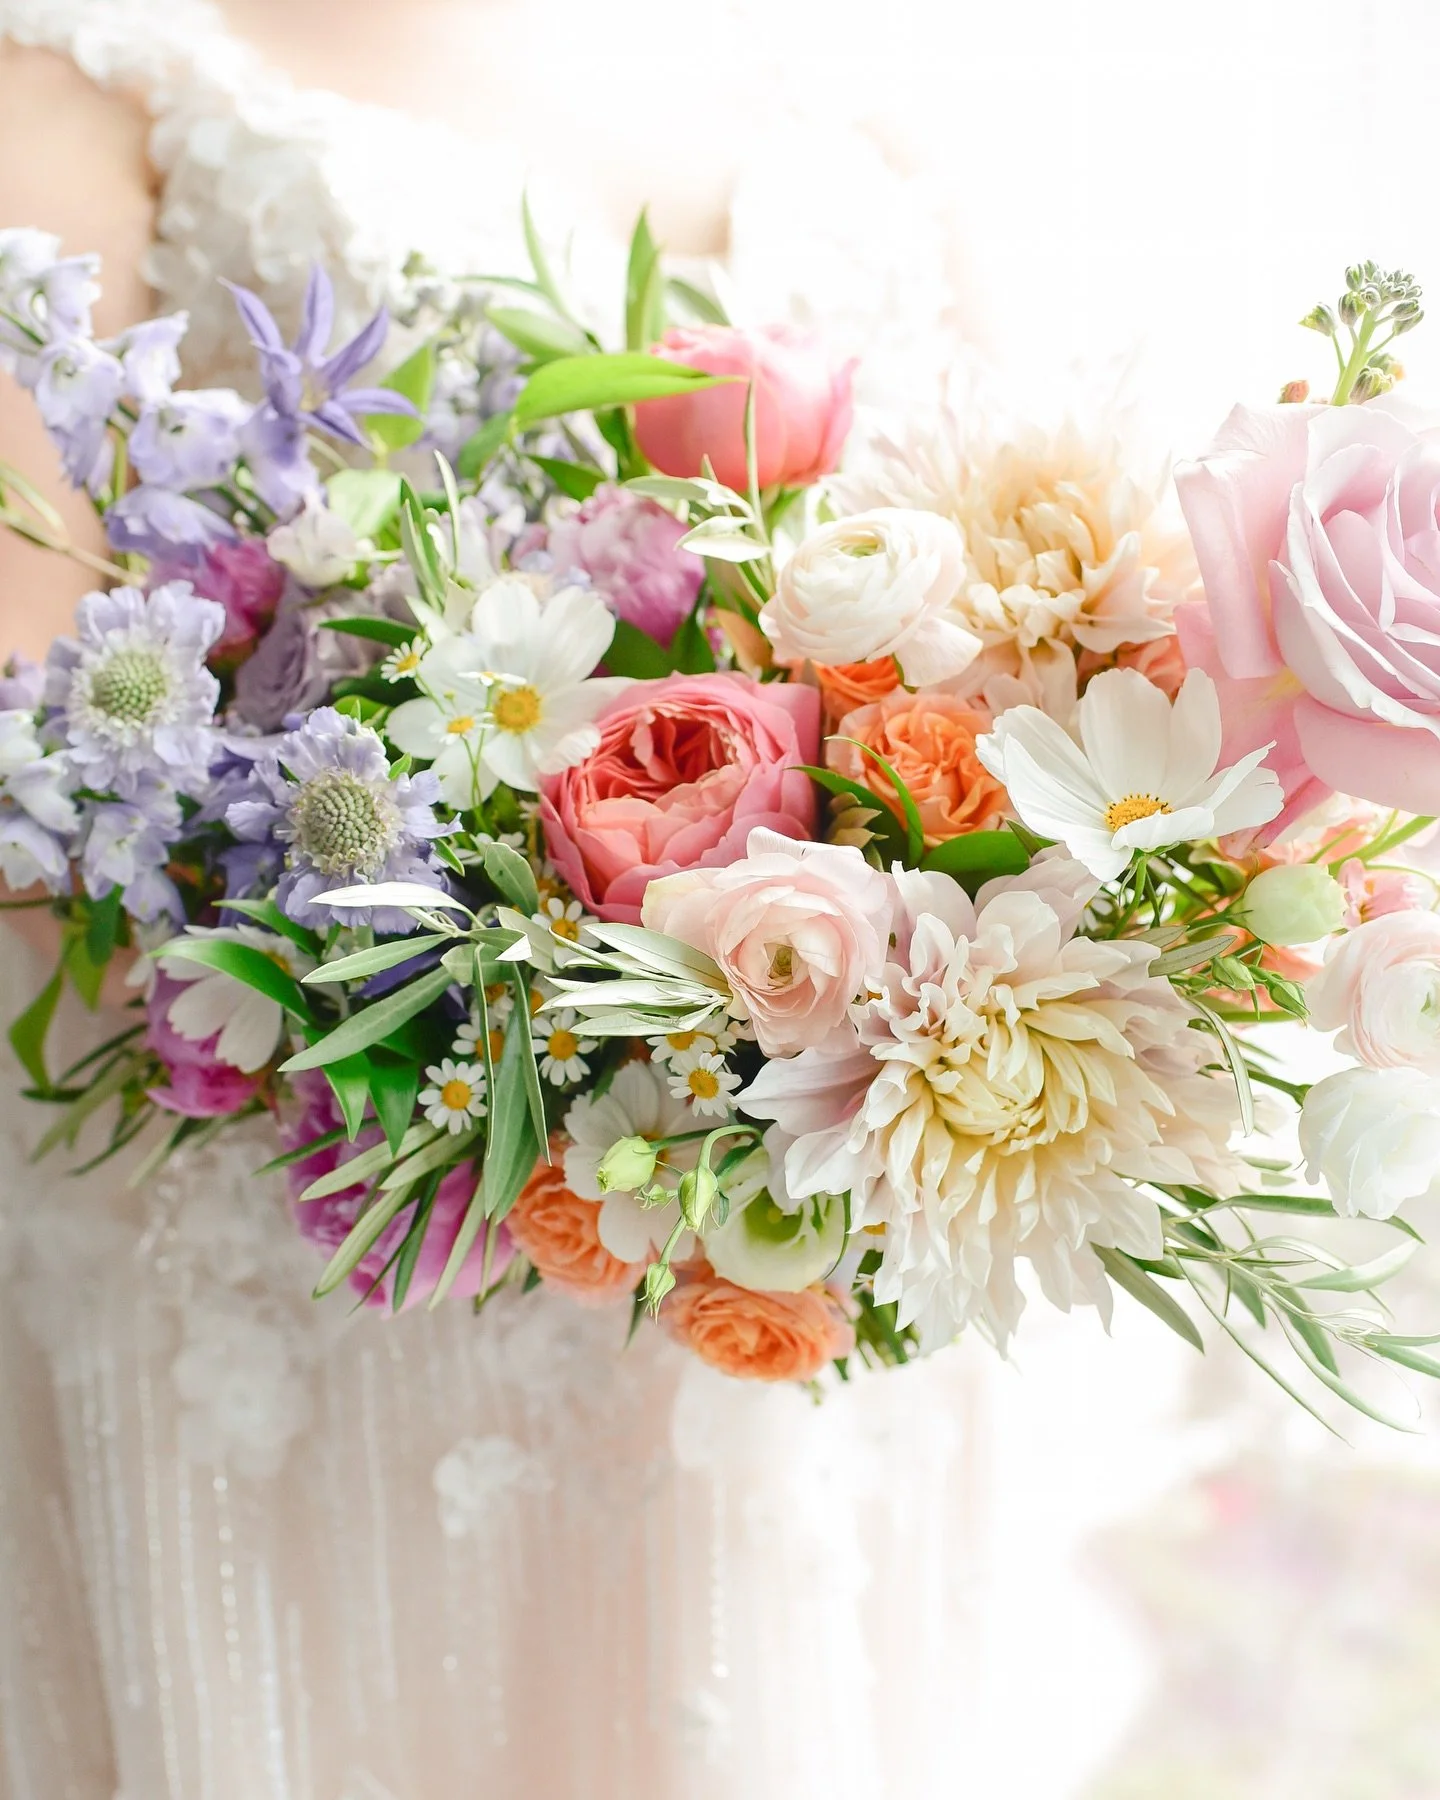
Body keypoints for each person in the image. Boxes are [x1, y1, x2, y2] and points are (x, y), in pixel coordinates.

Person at [0, 5, 984, 1796]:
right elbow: (38, 800)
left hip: (805, 1296)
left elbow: (1021, 612)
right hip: (343, 1314)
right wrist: (529, 926)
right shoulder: (83, 94)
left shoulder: (835, 112)